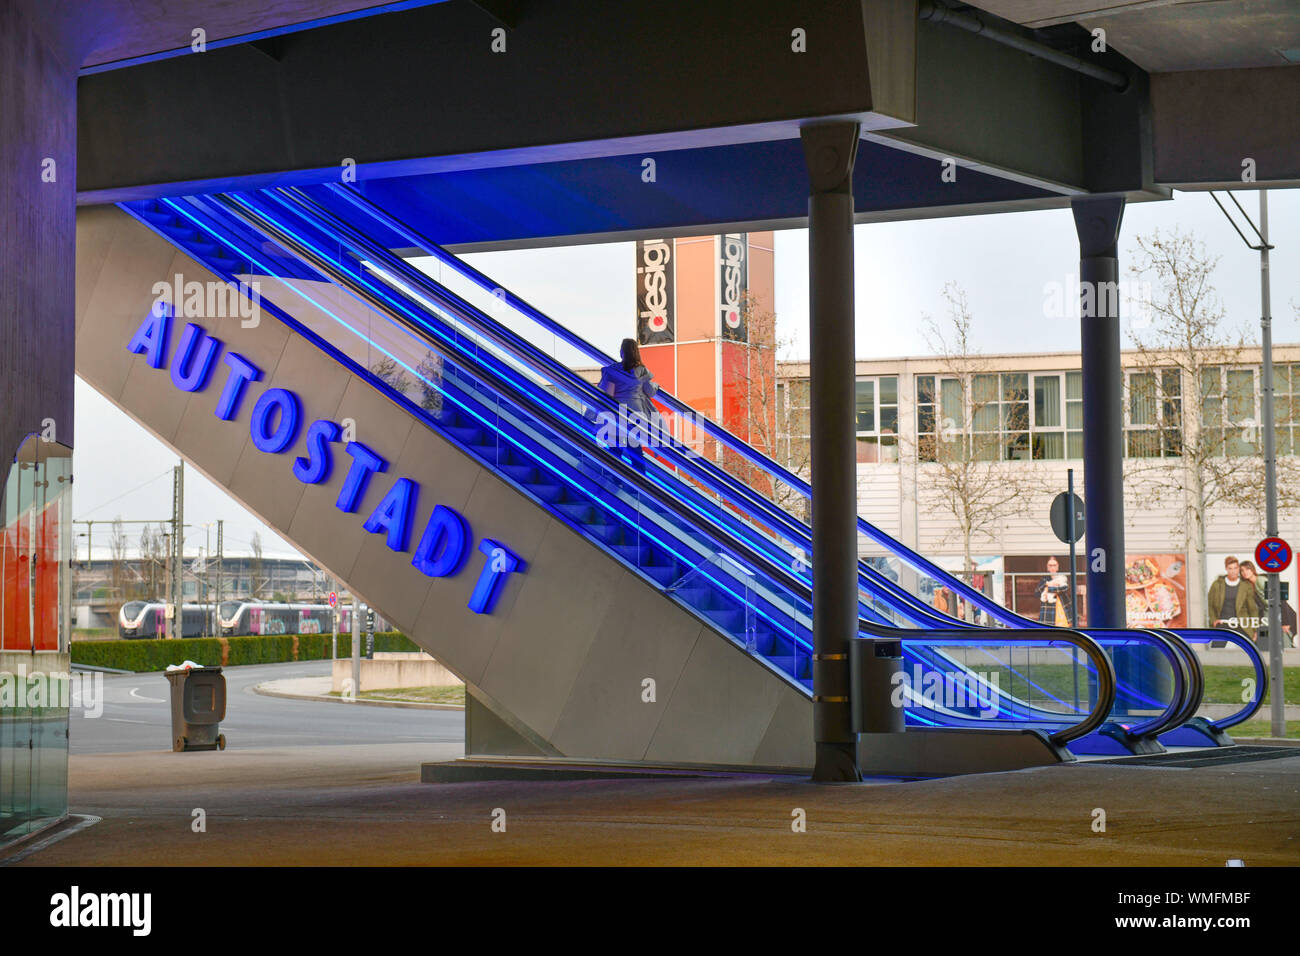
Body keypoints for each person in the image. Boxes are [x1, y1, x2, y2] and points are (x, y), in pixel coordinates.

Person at [597, 338, 660, 474]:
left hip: (617, 412)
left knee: (615, 448)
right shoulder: (642, 371)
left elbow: (608, 393)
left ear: (621, 352)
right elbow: (649, 391)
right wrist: (656, 386)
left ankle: (615, 479)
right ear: (636, 353)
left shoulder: (612, 370)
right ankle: (640, 482)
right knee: (635, 449)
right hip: (636, 413)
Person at [1208, 555, 1260, 643]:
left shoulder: (1245, 585)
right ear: (1226, 569)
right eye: (1230, 568)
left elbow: (1252, 609)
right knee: (1216, 649)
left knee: (1250, 647)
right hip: (1222, 623)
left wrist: (1255, 629)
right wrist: (1214, 620)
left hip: (1241, 624)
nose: (1233, 571)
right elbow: (1210, 605)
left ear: (1238, 569)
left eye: (1235, 568)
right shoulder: (1217, 585)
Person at [1035, 556, 1071, 625]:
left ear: (1057, 567)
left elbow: (1065, 588)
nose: (1052, 567)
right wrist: (1047, 585)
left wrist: (1049, 588)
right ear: (1047, 567)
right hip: (1048, 610)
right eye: (1050, 565)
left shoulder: (1062, 577)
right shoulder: (1044, 579)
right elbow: (1037, 593)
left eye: (1054, 565)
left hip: (1062, 607)